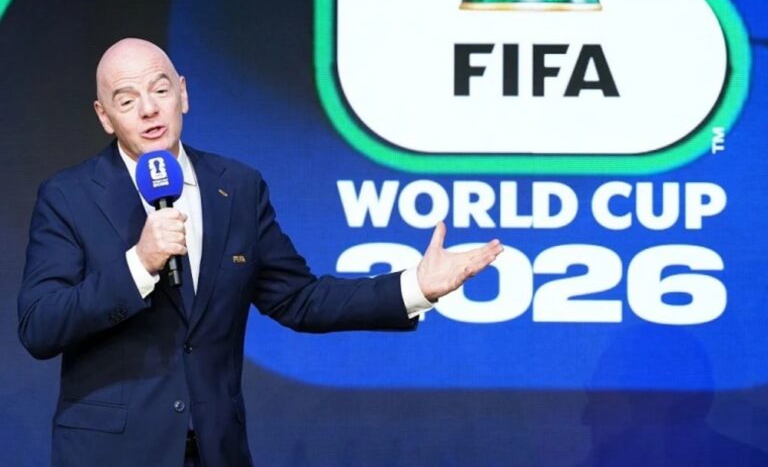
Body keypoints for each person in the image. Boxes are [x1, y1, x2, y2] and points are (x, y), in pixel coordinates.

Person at [17, 38, 502, 467]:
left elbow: (300, 299)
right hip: (112, 454)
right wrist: (138, 265)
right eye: (126, 99)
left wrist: (415, 286)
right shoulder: (69, 197)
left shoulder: (237, 188)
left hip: (215, 449)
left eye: (160, 90)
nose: (148, 109)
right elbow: (40, 325)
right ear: (104, 115)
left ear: (183, 93)